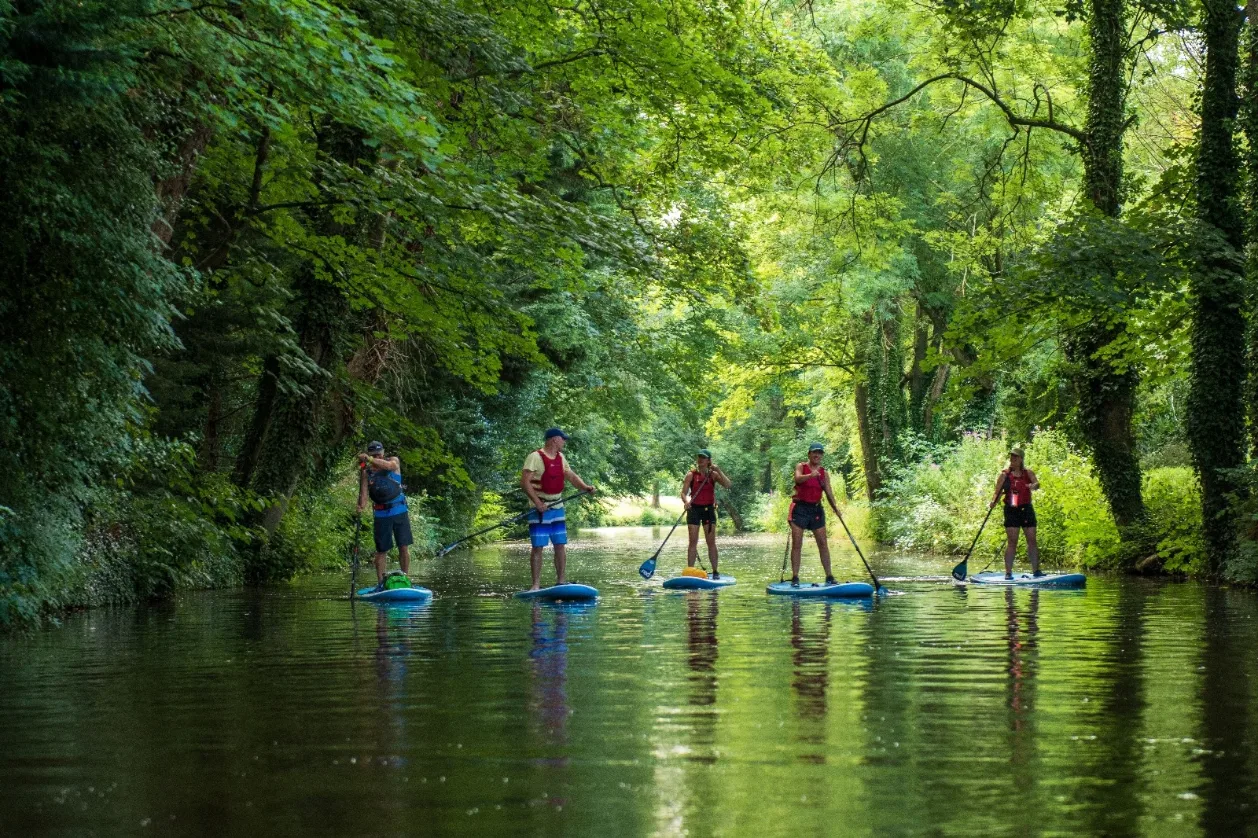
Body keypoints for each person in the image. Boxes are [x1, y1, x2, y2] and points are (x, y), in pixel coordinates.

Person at [520, 428, 596, 591]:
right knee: (538, 546)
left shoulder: (561, 457)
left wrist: (585, 487)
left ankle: (561, 581)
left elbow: (571, 476)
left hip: (557, 507)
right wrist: (538, 503)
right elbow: (525, 482)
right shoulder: (534, 457)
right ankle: (535, 585)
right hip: (539, 509)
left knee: (560, 544)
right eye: (563, 439)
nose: (564, 442)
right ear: (554, 439)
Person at [356, 441, 412, 591]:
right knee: (381, 550)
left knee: (403, 546)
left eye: (379, 453)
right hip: (381, 514)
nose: (377, 456)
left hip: (399, 510)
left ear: (383, 452)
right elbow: (364, 493)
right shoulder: (366, 472)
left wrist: (369, 459)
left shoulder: (393, 461)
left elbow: (389, 467)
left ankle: (405, 578)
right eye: (374, 454)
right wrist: (361, 506)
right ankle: (381, 583)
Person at [789, 442, 842, 586]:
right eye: (814, 452)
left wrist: (835, 509)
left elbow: (829, 492)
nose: (817, 455)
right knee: (797, 544)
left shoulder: (824, 473)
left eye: (820, 453)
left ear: (822, 455)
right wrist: (810, 475)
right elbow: (797, 479)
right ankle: (795, 577)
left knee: (823, 543)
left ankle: (829, 576)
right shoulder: (801, 466)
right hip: (800, 509)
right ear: (809, 454)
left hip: (816, 509)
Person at [990, 447, 1041, 579]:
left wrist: (1032, 486)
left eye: (1016, 457)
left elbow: (1036, 483)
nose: (1013, 459)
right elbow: (997, 492)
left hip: (1026, 509)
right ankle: (1008, 573)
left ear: (1021, 459)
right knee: (1012, 541)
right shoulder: (1004, 475)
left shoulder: (1028, 473)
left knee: (1032, 540)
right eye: (1011, 457)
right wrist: (993, 502)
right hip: (1011, 510)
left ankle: (1036, 571)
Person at [680, 449, 732, 578]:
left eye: (703, 458)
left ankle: (715, 571)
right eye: (699, 457)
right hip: (694, 510)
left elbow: (728, 485)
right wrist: (686, 501)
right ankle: (690, 572)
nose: (700, 460)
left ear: (708, 460)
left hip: (708, 510)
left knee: (711, 542)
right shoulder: (691, 475)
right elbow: (683, 492)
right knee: (693, 542)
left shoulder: (713, 475)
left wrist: (718, 470)